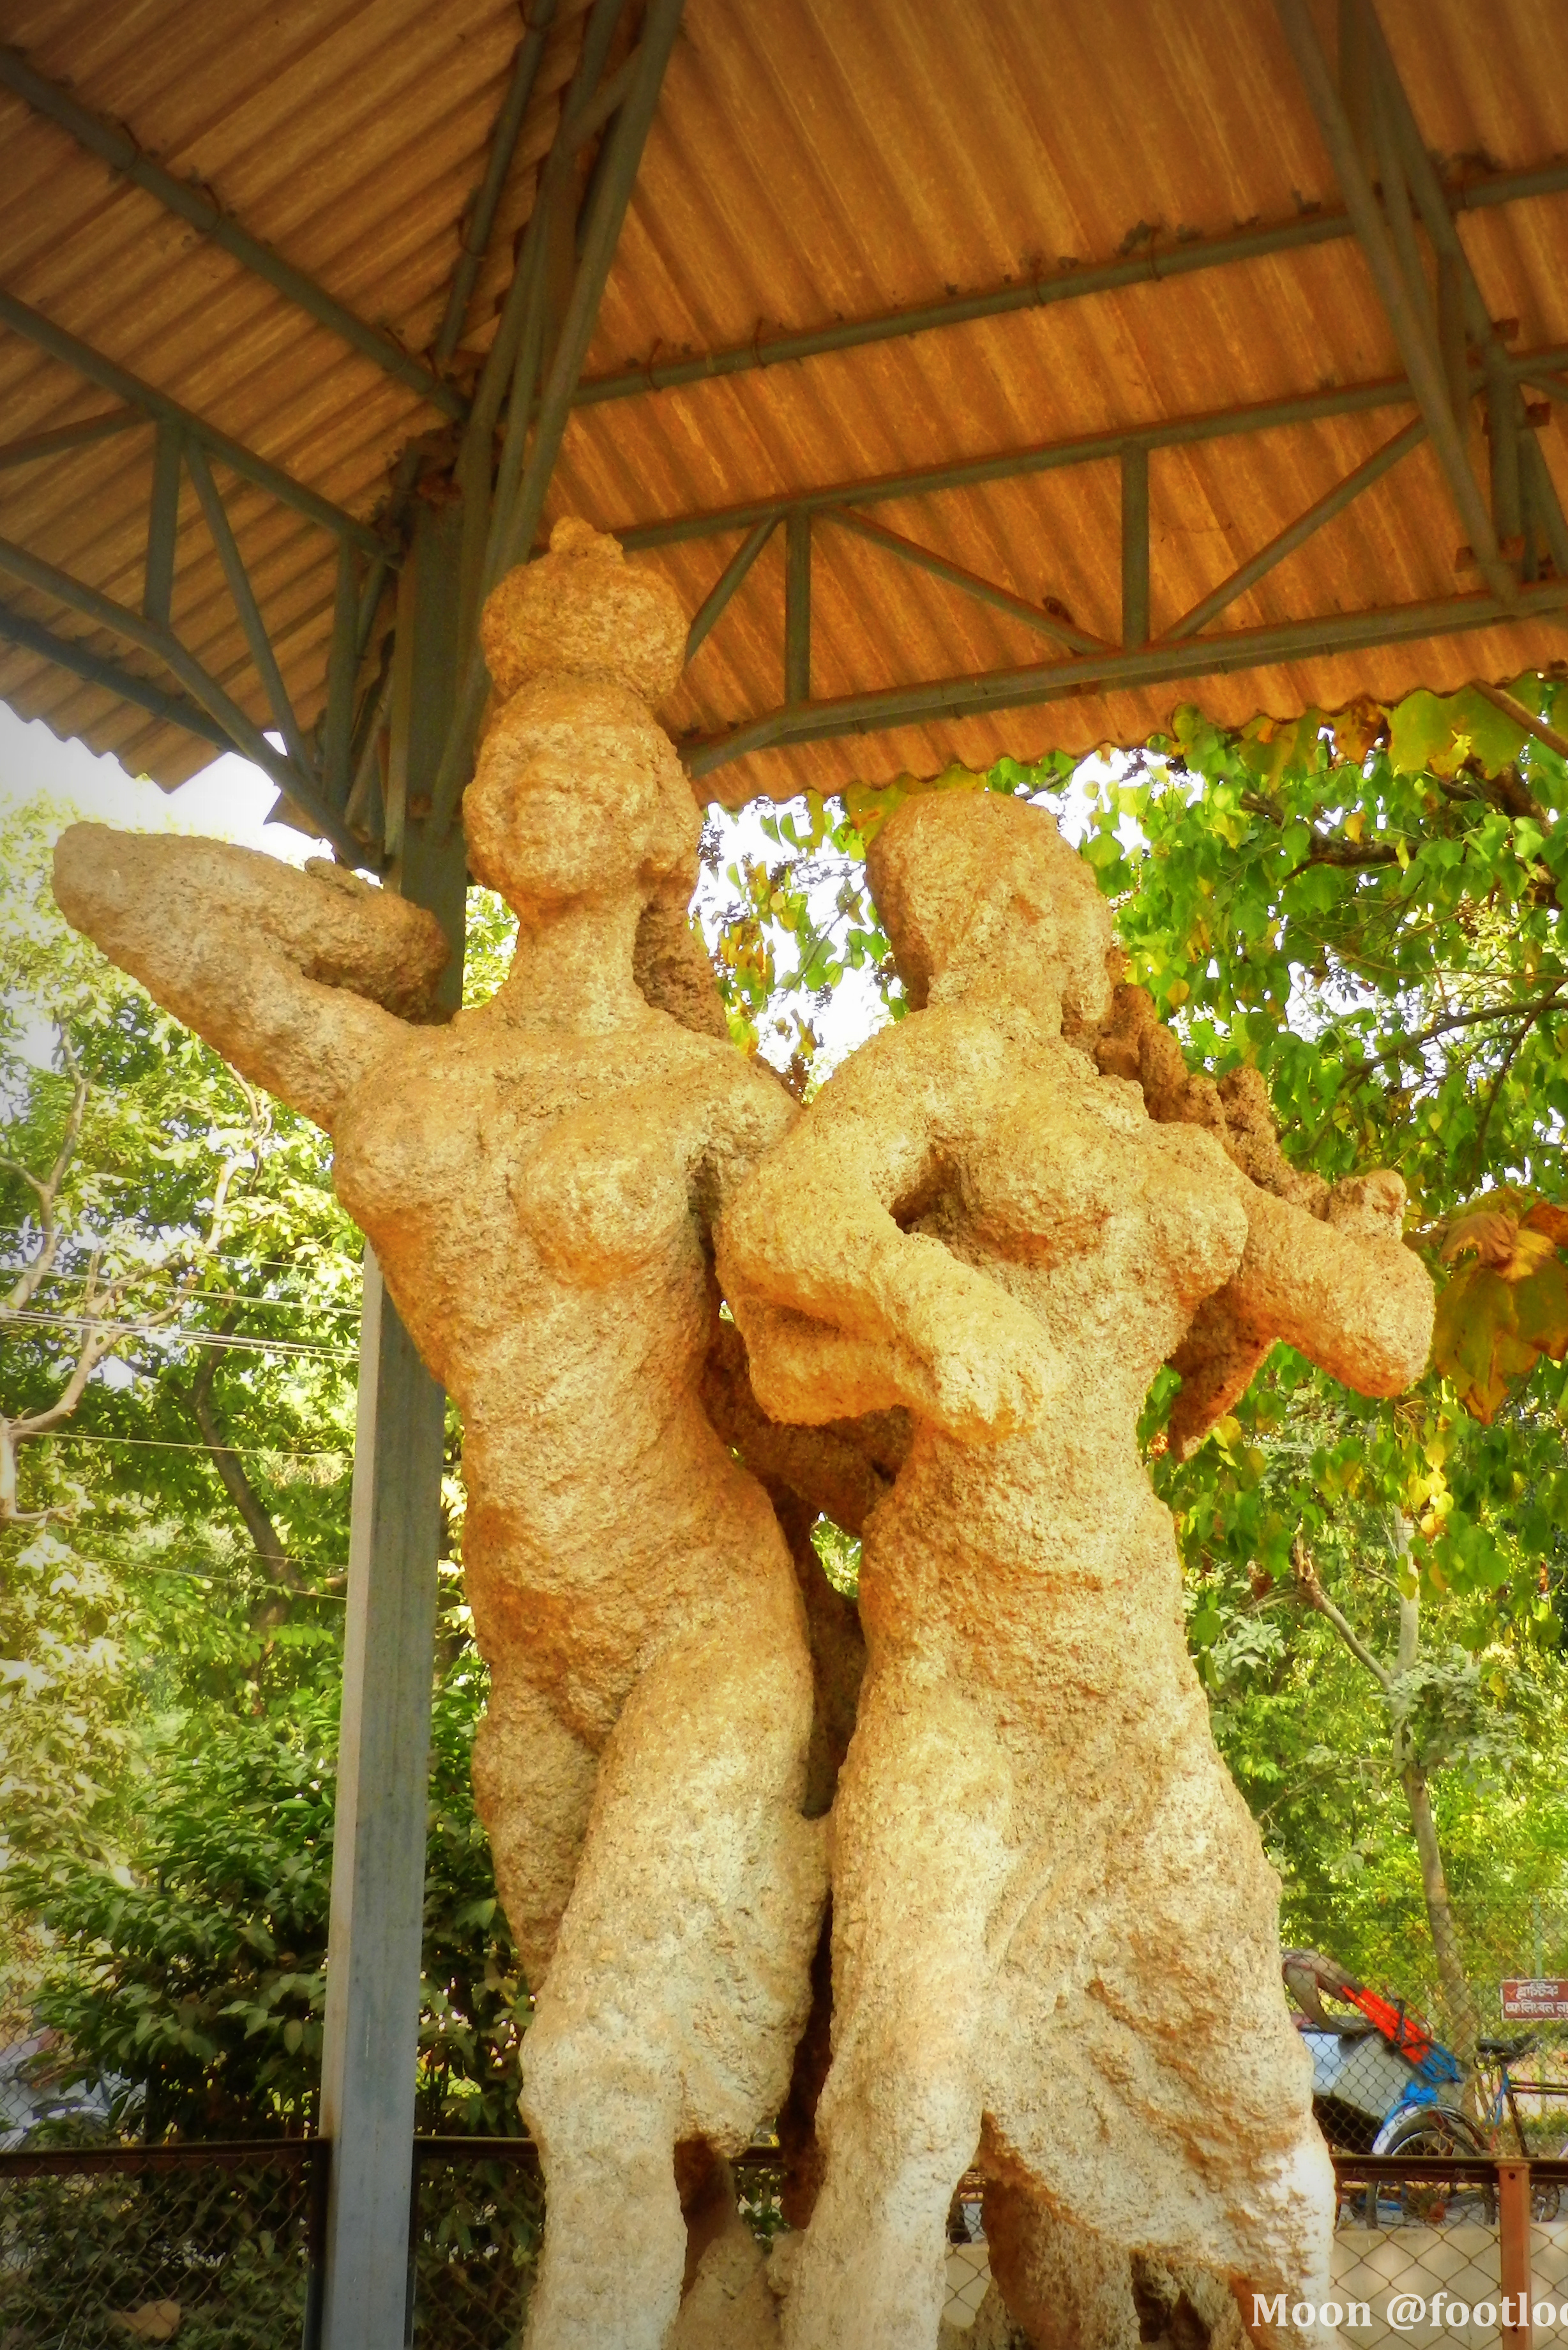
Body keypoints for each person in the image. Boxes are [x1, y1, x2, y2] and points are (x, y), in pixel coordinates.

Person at [54, 521, 824, 2350]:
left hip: (704, 1622)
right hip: (534, 1654)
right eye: (513, 758)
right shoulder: (394, 1068)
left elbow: (823, 1359)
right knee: (637, 2137)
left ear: (664, 825)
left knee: (604, 2077)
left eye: (593, 761)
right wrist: (388, 938)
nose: (539, 782)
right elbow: (108, 879)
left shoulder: (719, 1097)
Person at [717, 788, 1435, 2350]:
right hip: (962, 1676)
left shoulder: (1146, 1137)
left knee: (1268, 2140)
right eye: (1057, 897)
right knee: (904, 2106)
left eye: (1074, 902)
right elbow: (785, 1217)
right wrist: (932, 1304)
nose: (1088, 935)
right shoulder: (951, 1062)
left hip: (1129, 1690)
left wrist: (1366, 1242)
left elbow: (1382, 1336)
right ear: (998, 917)